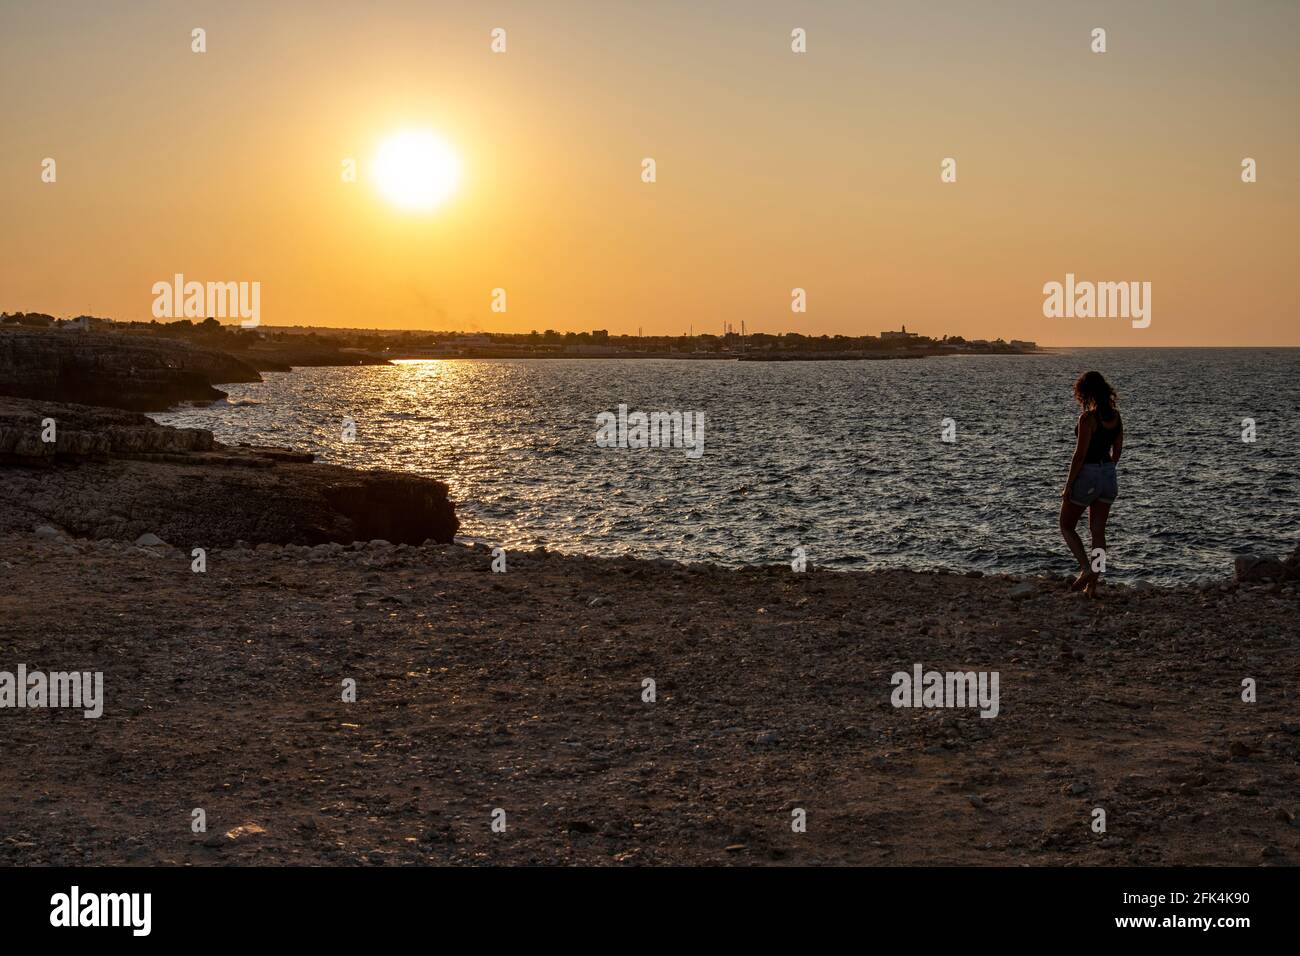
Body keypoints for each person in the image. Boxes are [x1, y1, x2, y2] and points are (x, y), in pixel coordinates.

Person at [1059, 371, 1123, 598]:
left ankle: (1086, 568)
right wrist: (1106, 469)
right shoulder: (1115, 416)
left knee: (1066, 525)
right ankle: (1093, 585)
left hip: (1089, 473)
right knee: (1098, 532)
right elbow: (1118, 451)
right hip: (1108, 475)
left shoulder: (1088, 419)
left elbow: (1079, 455)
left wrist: (1068, 485)